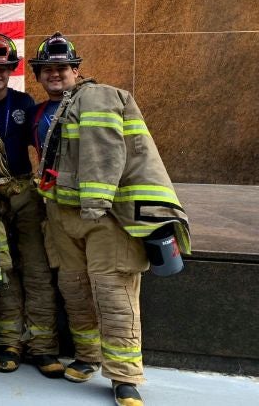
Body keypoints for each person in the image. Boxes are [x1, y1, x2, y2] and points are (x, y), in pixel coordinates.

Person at [31, 32, 191, 406]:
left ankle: (124, 377)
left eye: (62, 68)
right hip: (61, 214)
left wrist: (97, 202)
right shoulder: (46, 110)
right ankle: (88, 356)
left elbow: (105, 152)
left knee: (114, 293)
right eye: (47, 69)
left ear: (76, 69)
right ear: (39, 74)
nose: (55, 74)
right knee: (75, 290)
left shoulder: (98, 96)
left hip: (103, 217)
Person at [0, 34, 63, 378]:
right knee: (2, 270)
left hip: (25, 195)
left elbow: (46, 148)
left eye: (3, 67)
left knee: (35, 271)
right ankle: (8, 343)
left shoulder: (26, 104)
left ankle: (43, 347)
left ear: (11, 69)